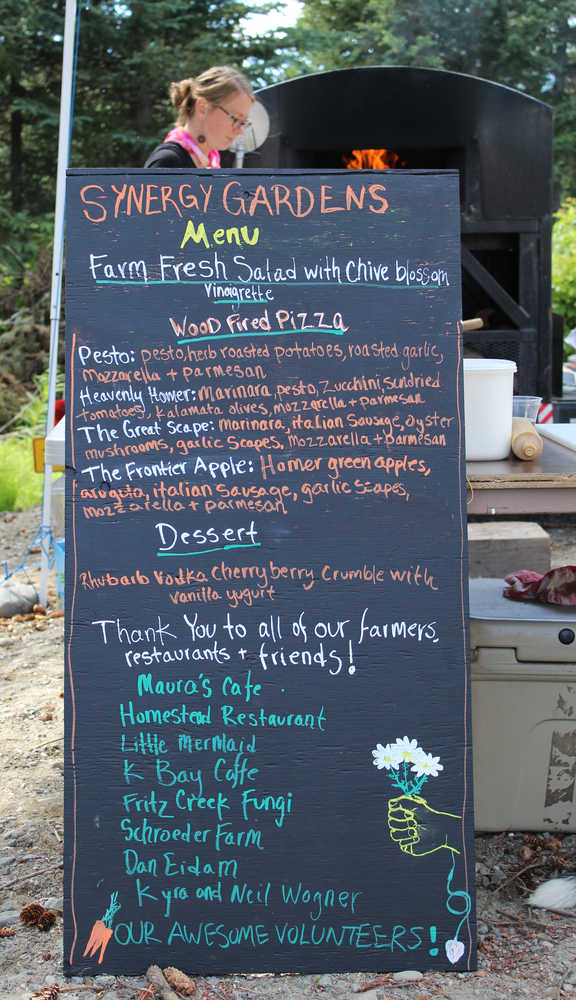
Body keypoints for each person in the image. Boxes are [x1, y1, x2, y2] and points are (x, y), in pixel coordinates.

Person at [144, 65, 254, 169]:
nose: (240, 130)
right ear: (203, 107)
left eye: (243, 122)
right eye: (235, 118)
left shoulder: (213, 162)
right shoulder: (167, 162)